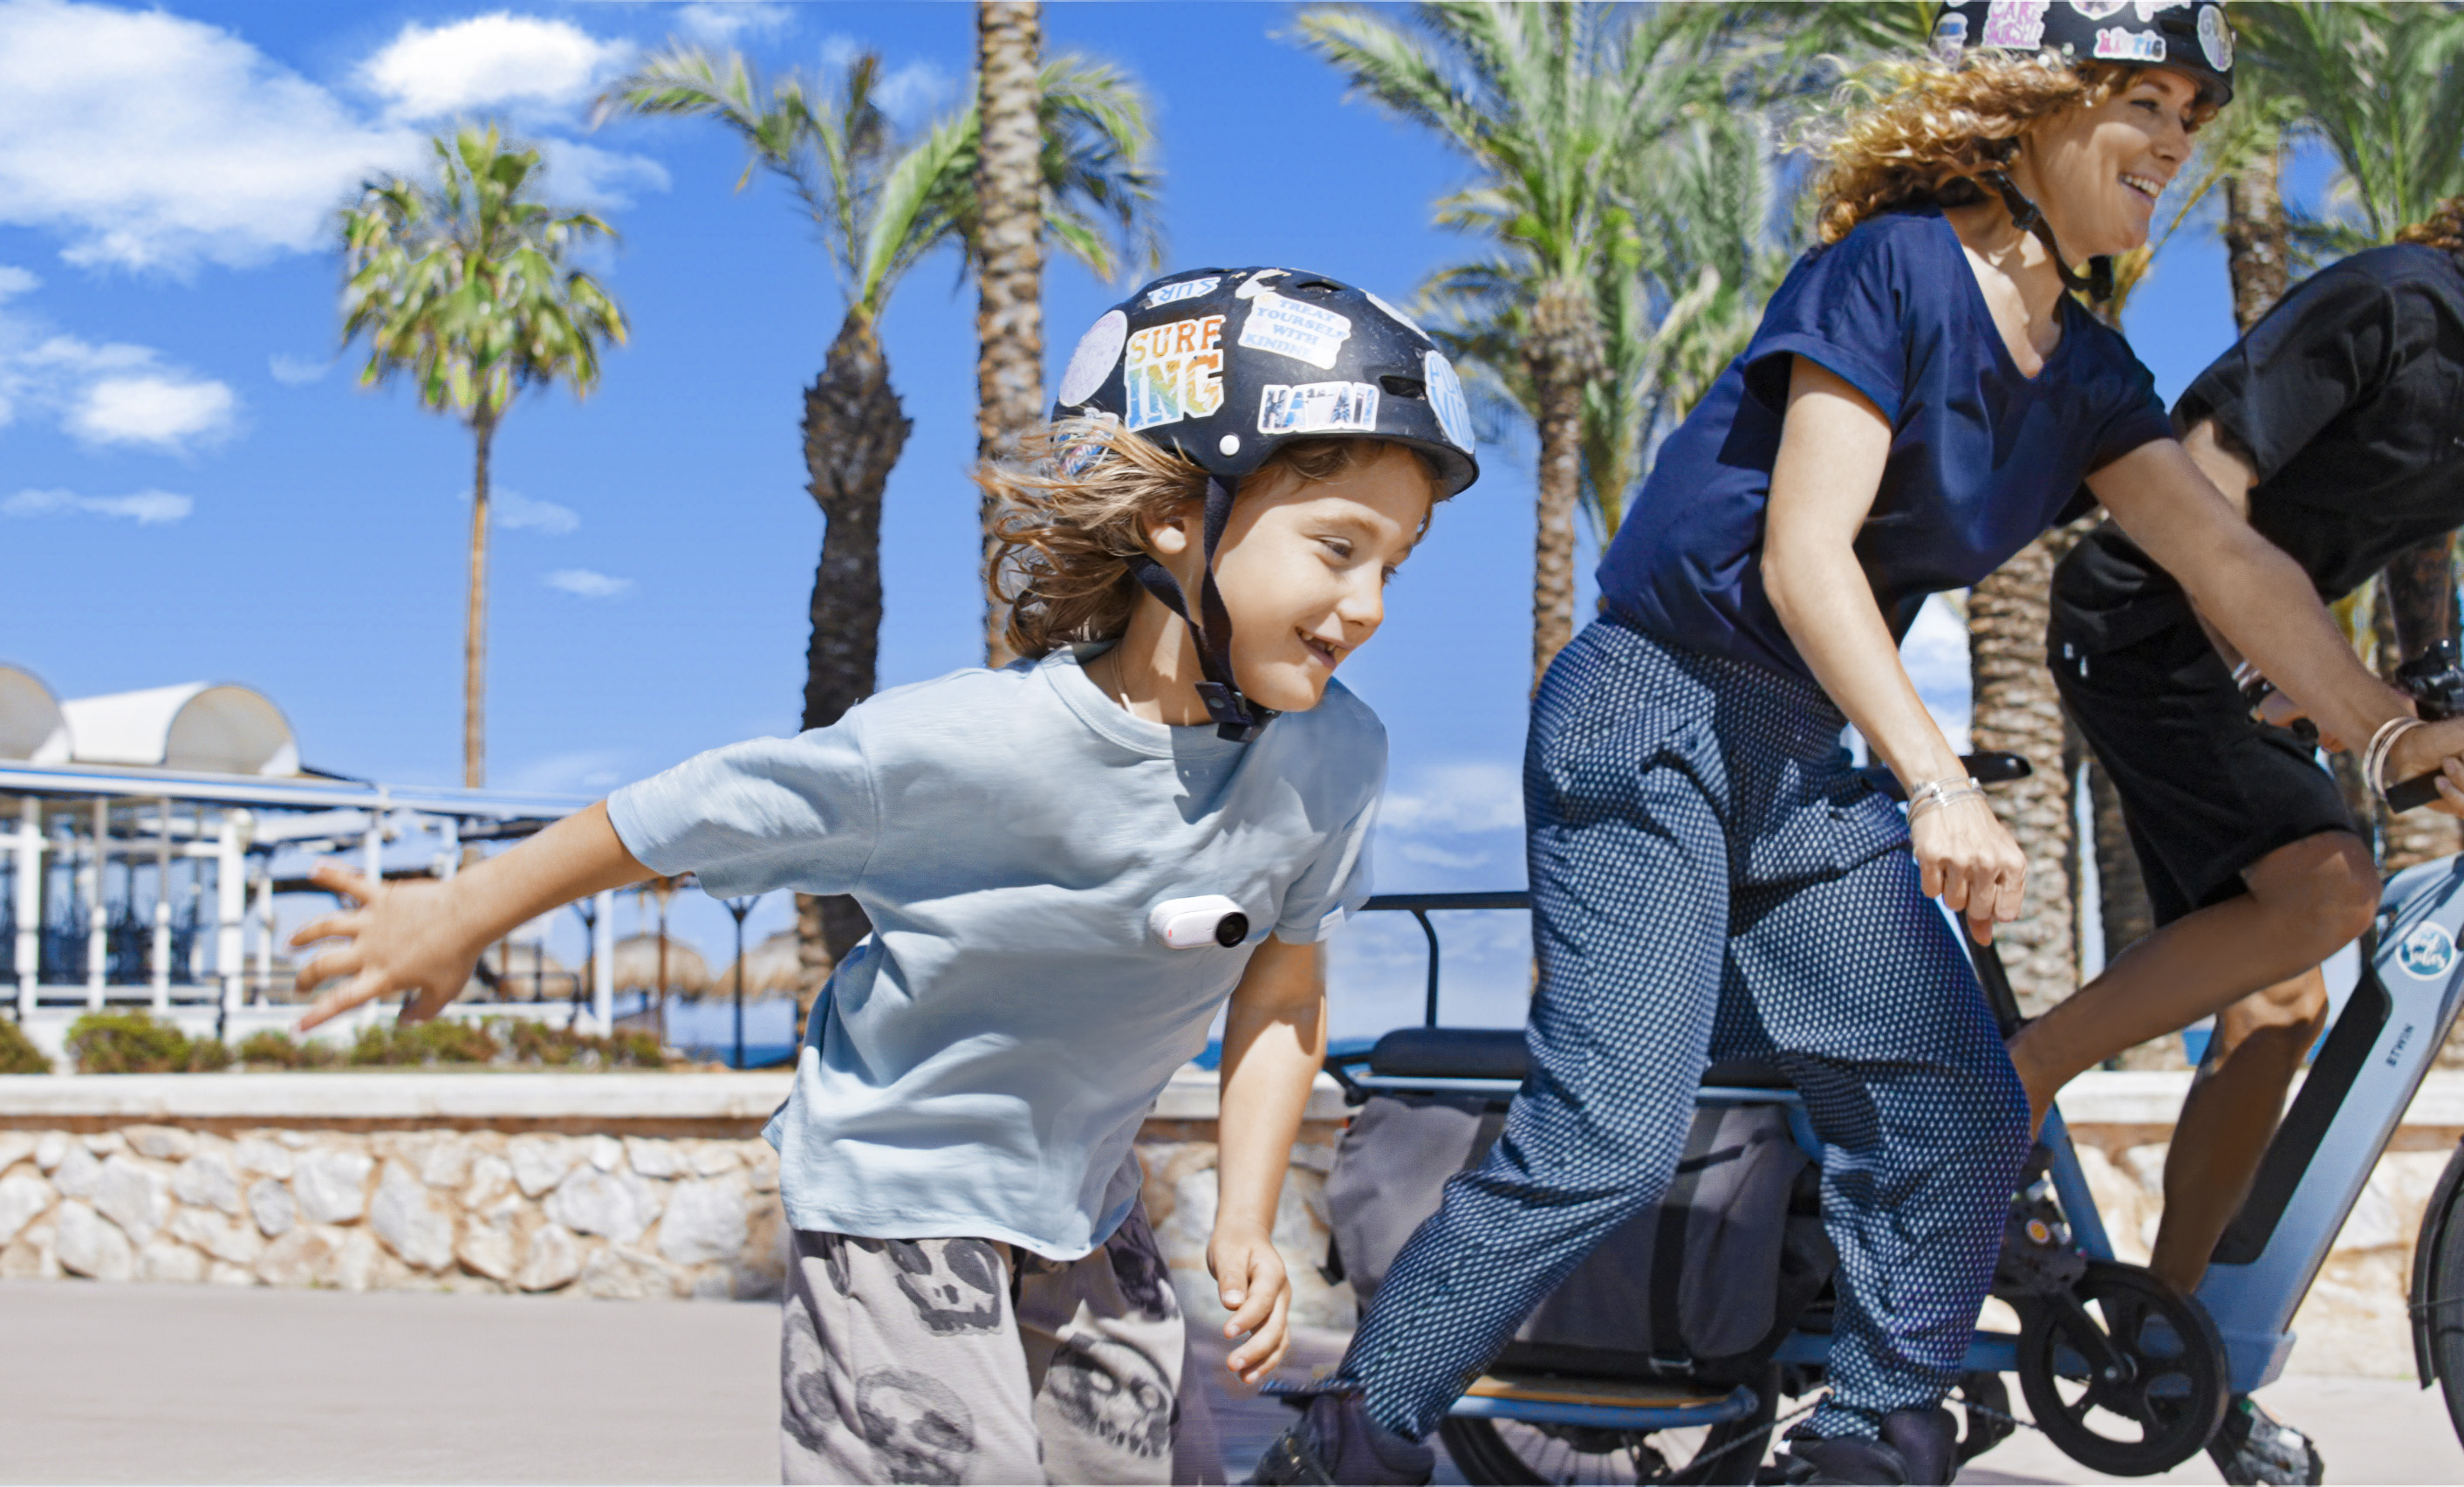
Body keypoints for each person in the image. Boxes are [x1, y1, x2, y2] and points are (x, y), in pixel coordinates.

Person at [1257, 8, 2464, 1486]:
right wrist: (1937, 779)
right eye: (2139, 101)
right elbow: (1803, 558)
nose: (2171, 144)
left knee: (1955, 1115)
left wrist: (2388, 729)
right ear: (2029, 108)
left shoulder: (2086, 372)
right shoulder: (1887, 270)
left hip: (1802, 752)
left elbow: (2231, 564)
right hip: (1655, 704)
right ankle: (1352, 1437)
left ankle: (1865, 1447)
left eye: (2191, 118)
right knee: (1610, 1137)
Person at [285, 267, 1483, 1487]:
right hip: (899, 1187)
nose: (1370, 604)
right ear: (1180, 513)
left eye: (1398, 563)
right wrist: (460, 910)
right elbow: (686, 809)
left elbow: (1283, 990)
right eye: (1338, 548)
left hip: (1082, 1201)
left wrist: (1243, 1216)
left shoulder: (1335, 758)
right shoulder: (964, 746)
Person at [2015, 195, 2464, 1484]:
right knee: (2327, 887)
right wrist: (2324, 701)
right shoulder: (2390, 301)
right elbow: (2202, 484)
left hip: (2263, 661)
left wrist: (2425, 700)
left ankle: (2171, 1358)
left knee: (2275, 1006)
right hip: (2148, 624)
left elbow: (2413, 538)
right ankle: (2011, 1081)